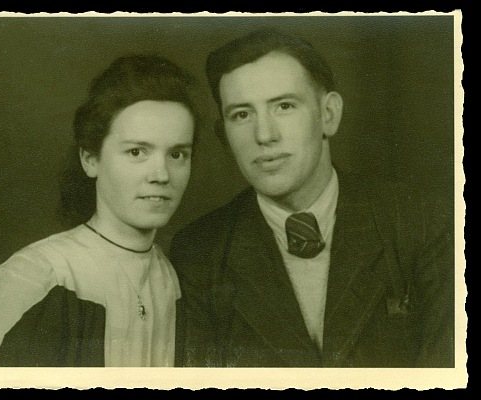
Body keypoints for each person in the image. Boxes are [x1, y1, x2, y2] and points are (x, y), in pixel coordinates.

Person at [170, 29, 454, 367]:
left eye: (284, 106)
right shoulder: (199, 254)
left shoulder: (421, 224)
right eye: (242, 115)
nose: (264, 135)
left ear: (328, 114)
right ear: (224, 137)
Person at [0, 55, 199, 367]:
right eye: (136, 152)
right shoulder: (39, 276)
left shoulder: (172, 279)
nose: (161, 174)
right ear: (91, 159)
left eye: (177, 154)